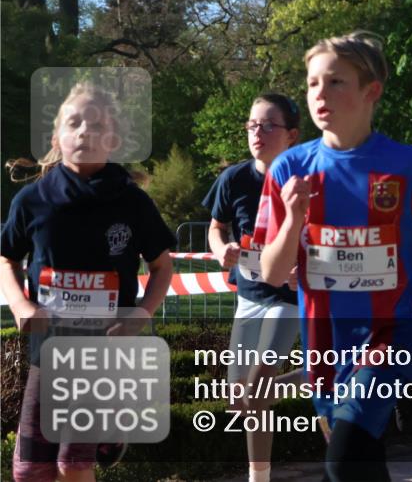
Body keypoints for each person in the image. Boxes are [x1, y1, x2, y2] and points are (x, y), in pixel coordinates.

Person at [257, 31, 412, 482]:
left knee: (344, 457)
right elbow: (272, 272)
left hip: (394, 331)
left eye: (335, 82)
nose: (320, 94)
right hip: (327, 339)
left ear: (371, 91)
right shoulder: (290, 169)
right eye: (312, 83)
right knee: (360, 458)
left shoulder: (407, 164)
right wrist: (293, 218)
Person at [1, 81, 175, 482]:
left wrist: (140, 314)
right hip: (48, 351)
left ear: (112, 140)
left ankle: (108, 431)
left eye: (96, 126)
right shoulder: (32, 200)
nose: (84, 133)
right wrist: (20, 305)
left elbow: (162, 267)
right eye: (74, 123)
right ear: (56, 137)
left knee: (73, 464)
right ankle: (112, 434)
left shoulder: (132, 202)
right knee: (30, 470)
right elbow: (6, 258)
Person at [202, 93, 301, 482]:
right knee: (239, 400)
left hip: (288, 298)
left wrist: (308, 268)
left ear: (291, 135)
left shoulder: (305, 180)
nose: (256, 132)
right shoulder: (234, 178)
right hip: (250, 295)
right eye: (251, 125)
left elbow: (334, 236)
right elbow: (216, 226)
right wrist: (220, 248)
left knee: (259, 386)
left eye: (267, 125)